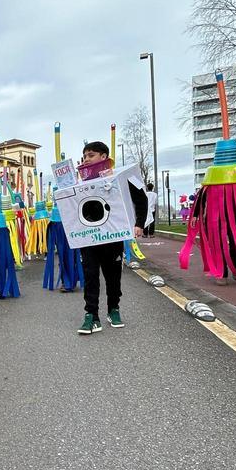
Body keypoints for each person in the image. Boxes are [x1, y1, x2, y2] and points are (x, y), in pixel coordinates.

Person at [76, 141, 147, 335]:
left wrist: (139, 223)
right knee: (90, 276)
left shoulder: (120, 177)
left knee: (113, 276)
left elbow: (141, 197)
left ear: (103, 156)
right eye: (84, 156)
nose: (86, 159)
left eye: (90, 155)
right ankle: (91, 315)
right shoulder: (81, 182)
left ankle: (113, 310)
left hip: (112, 236)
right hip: (89, 238)